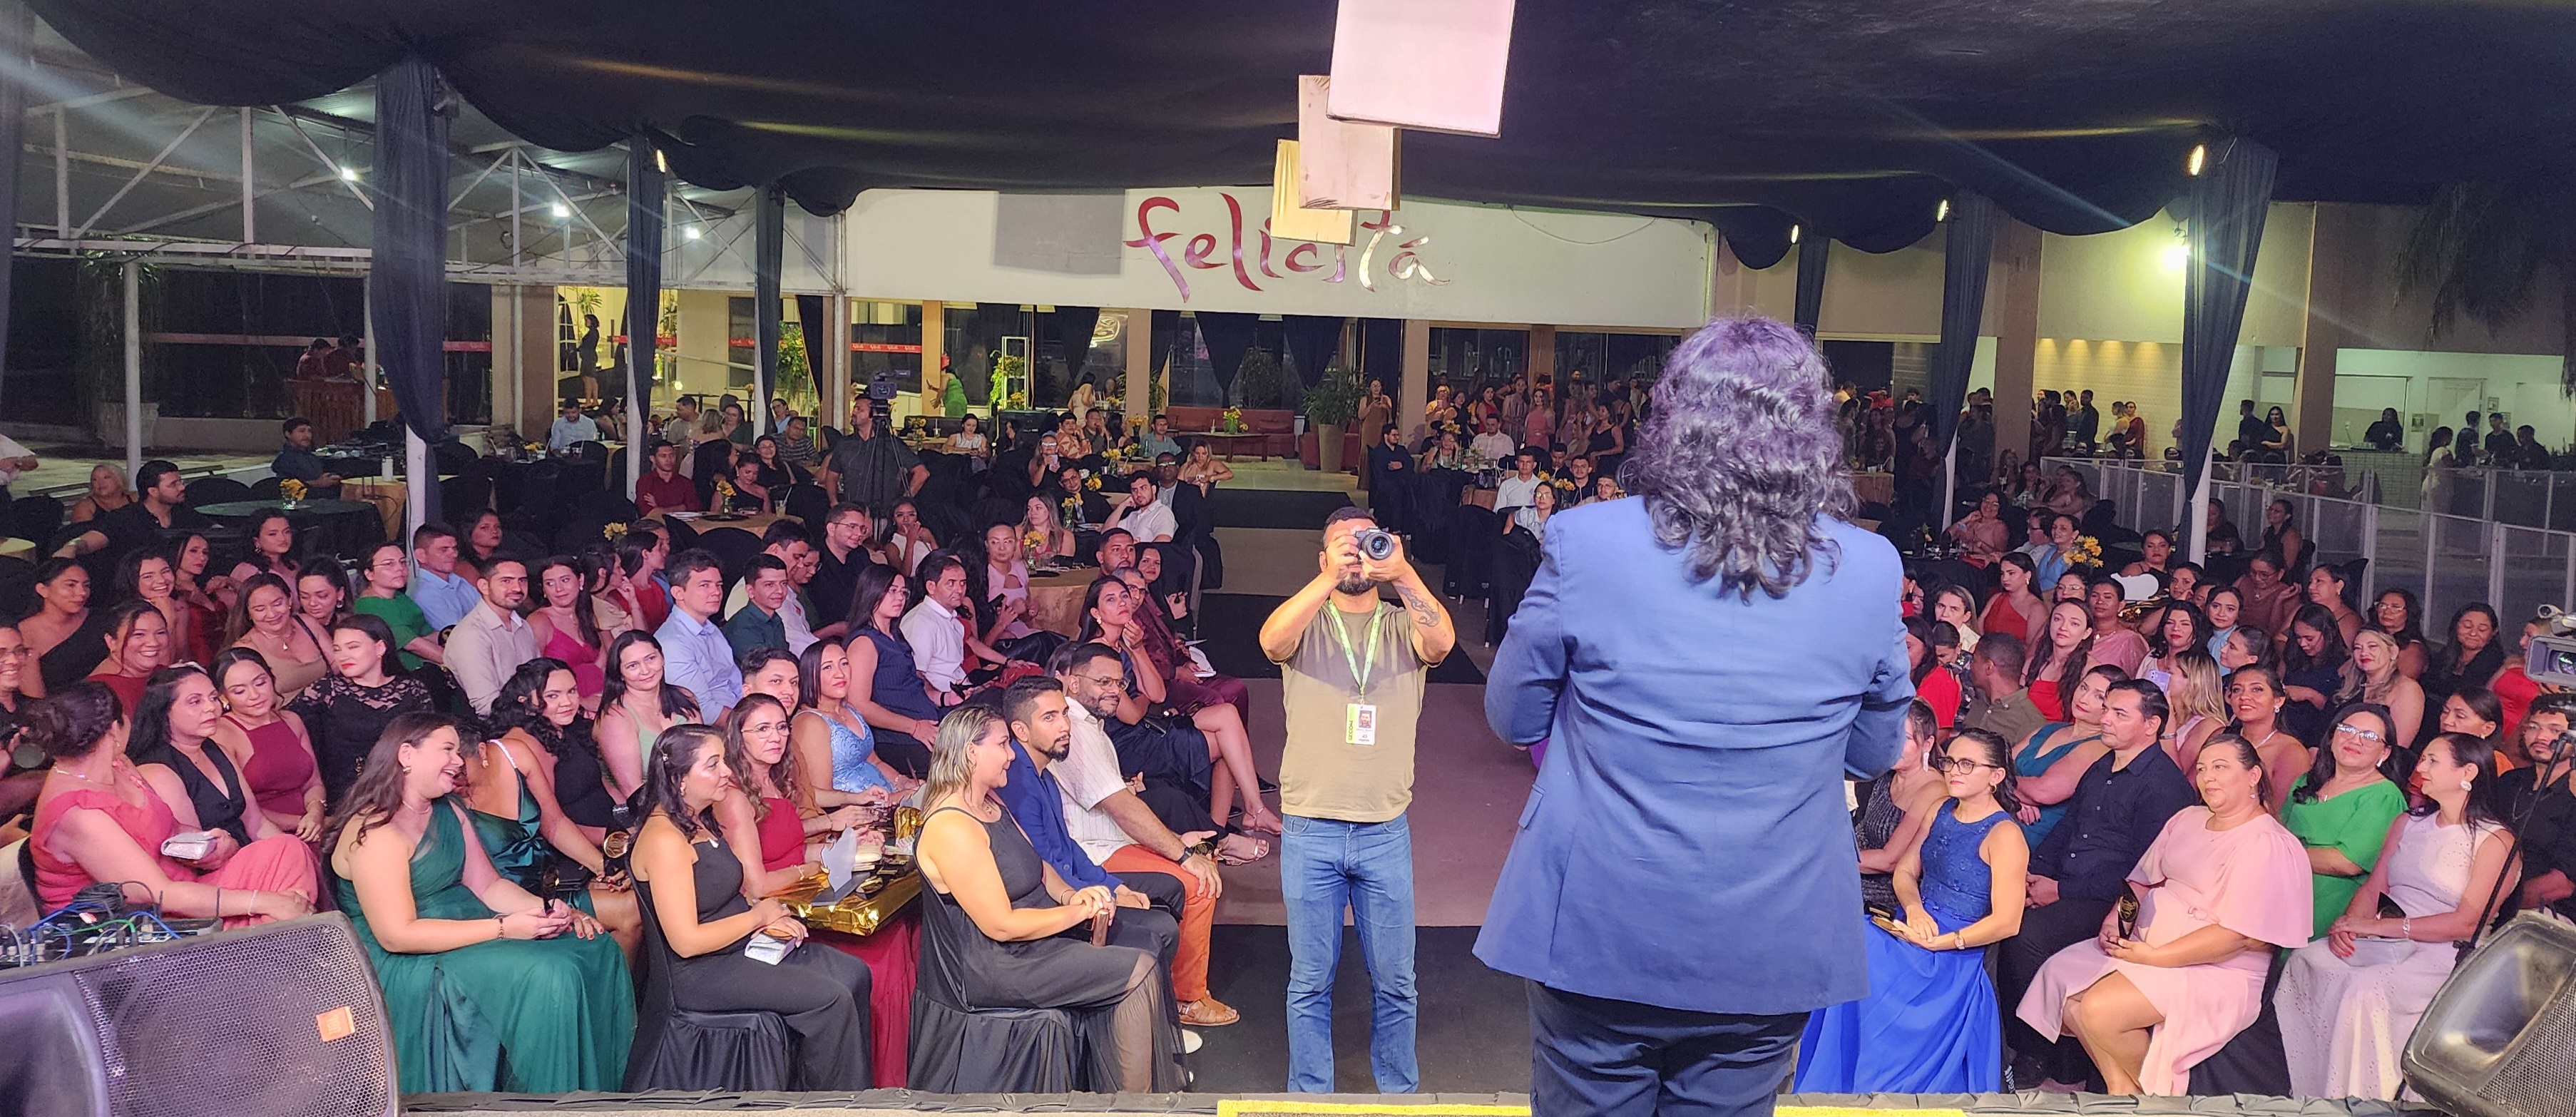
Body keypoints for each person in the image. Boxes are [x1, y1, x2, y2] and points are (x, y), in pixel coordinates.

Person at [1478, 319, 1910, 1115]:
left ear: (1675, 415)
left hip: (1599, 921)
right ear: (1811, 427)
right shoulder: (1870, 566)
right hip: (1770, 934)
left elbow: (1514, 716)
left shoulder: (1587, 539)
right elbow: (1872, 751)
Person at [1244, 506, 1457, 1093]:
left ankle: (1400, 1096)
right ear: (1322, 557)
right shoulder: (1308, 620)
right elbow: (1270, 641)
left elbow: (1441, 642)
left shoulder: (1402, 623)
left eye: (1368, 542)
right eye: (1343, 544)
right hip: (1309, 828)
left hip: (1384, 828)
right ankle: (1310, 1097)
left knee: (1397, 982)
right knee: (1310, 980)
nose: (1357, 552)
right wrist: (1328, 578)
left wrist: (1403, 573)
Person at [326, 713, 631, 1093]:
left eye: (458, 751)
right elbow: (397, 935)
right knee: (552, 975)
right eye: (447, 750)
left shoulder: (447, 809)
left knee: (595, 947)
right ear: (406, 755)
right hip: (412, 960)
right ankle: (545, 1099)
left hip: (469, 925)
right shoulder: (377, 833)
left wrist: (545, 912)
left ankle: (595, 1093)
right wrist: (504, 928)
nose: (459, 761)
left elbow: (488, 886)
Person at [2015, 733, 2312, 1095]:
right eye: (2202, 769)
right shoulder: (2188, 818)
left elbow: (2239, 937)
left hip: (2217, 970)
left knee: (2097, 1010)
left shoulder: (2269, 843)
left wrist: (2156, 956)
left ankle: (2157, 1099)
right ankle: (2123, 1092)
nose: (2208, 777)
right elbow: (2141, 881)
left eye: (2220, 767)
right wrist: (2117, 923)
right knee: (2063, 987)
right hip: (2146, 946)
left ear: (2253, 776)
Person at [625, 720, 873, 1088]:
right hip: (702, 972)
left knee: (855, 973)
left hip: (739, 945)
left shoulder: (700, 819)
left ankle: (844, 1092)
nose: (728, 772)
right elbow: (686, 942)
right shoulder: (666, 840)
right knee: (831, 998)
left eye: (724, 761)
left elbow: (723, 895)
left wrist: (763, 919)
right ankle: (829, 1104)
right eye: (714, 765)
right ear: (680, 780)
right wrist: (758, 916)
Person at [2280, 730, 2517, 1098]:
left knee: (2365, 990)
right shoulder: (2409, 822)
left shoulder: (2495, 839)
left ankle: (2366, 1098)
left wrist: (2379, 927)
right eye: (2422, 759)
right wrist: (2349, 927)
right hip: (2388, 936)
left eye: (2432, 761)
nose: (2420, 768)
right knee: (2308, 959)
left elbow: (2467, 922)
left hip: (2447, 951)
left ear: (2467, 772)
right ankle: (2307, 1089)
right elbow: (2375, 886)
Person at [1796, 728, 2030, 1092]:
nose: (1954, 771)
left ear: (1996, 776)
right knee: (1849, 943)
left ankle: (1872, 1083)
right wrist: (1915, 909)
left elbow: (2007, 922)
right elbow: (1905, 871)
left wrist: (1942, 942)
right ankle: (1841, 1080)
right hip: (1914, 922)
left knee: (1868, 959)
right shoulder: (1941, 808)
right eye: (1950, 761)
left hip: (1956, 948)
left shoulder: (2005, 835)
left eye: (1967, 765)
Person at [1999, 680, 2198, 1089]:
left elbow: (2141, 870)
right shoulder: (2101, 766)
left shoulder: (2164, 786)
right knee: (2003, 915)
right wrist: (2033, 874)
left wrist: (2060, 891)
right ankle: (2020, 1044)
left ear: (2151, 725)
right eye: (2107, 710)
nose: (2105, 719)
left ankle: (2044, 1053)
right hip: (2069, 881)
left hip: (2116, 901)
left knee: (2027, 936)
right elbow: (2068, 828)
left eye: (2119, 713)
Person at [27, 682, 318, 923]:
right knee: (279, 908)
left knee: (287, 849)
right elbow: (159, 894)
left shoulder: (118, 763)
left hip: (182, 888)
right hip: (144, 923)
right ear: (115, 730)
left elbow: (169, 828)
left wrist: (207, 844)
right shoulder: (79, 814)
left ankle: (284, 937)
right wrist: (266, 901)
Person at [715, 693, 866, 899]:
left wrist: (851, 847)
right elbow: (756, 887)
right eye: (763, 729)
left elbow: (794, 851)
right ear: (739, 738)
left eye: (781, 727)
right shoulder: (733, 796)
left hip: (798, 887)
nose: (776, 737)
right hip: (767, 903)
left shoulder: (777, 780)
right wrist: (814, 868)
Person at [131, 663, 295, 850]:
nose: (211, 707)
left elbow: (255, 821)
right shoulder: (158, 770)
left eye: (214, 698)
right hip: (216, 861)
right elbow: (195, 848)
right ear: (164, 710)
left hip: (250, 852)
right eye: (195, 701)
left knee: (294, 848)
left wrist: (287, 849)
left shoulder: (217, 751)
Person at [2281, 703, 2409, 941]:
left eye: (2369, 736)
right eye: (2347, 729)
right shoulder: (2306, 781)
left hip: (2328, 904)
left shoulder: (2384, 796)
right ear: (2332, 737)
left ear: (2384, 753)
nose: (2355, 740)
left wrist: (2281, 853)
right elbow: (2278, 833)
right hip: (2279, 888)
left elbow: (2347, 862)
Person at [290, 615, 435, 805]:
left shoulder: (412, 690)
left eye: (353, 647)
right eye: (337, 649)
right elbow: (285, 725)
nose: (343, 656)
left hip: (405, 793)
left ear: (380, 648)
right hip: (348, 798)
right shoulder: (325, 691)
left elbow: (429, 745)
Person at [207, 649, 325, 842]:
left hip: (312, 824)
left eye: (260, 683)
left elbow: (313, 782)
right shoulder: (222, 734)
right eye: (240, 691)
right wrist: (302, 823)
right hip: (262, 835)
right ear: (223, 697)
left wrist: (316, 812)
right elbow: (238, 808)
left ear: (272, 677)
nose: (254, 695)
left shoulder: (292, 720)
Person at [842, 563, 944, 778]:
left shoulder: (895, 635)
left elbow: (910, 685)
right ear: (873, 592)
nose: (900, 598)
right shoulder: (864, 642)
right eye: (892, 591)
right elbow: (858, 704)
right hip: (896, 738)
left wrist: (942, 697)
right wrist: (914, 727)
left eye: (903, 592)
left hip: (925, 724)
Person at [2013, 665, 2125, 848]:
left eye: (2099, 697)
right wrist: (2012, 797)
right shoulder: (2050, 728)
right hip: (2001, 813)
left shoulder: (2100, 747)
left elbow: (2042, 792)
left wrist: (2003, 787)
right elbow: (1998, 764)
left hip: (2034, 838)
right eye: (2084, 687)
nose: (2084, 698)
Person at [789, 638, 912, 800]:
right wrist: (896, 798)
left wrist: (903, 782)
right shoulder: (810, 722)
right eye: (827, 667)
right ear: (810, 675)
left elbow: (874, 761)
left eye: (844, 664)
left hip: (886, 797)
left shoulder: (849, 709)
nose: (840, 674)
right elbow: (821, 798)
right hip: (856, 810)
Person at [1858, 701, 1951, 911]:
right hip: (1857, 861)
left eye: (1906, 738)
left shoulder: (1934, 790)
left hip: (1887, 887)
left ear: (1927, 744)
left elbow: (1890, 860)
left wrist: (1831, 860)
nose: (1894, 744)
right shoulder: (1888, 772)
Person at [596, 631, 702, 800]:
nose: (645, 670)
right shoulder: (615, 716)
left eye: (651, 659)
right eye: (633, 666)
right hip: (652, 805)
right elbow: (633, 791)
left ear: (662, 658)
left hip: (698, 793)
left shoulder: (685, 697)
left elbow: (704, 755)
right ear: (620, 674)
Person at [56, 459, 212, 561]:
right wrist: (71, 547)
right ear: (153, 492)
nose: (182, 488)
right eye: (173, 485)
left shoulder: (181, 511)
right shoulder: (125, 517)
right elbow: (92, 539)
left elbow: (216, 531)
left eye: (180, 482)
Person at [655, 549, 743, 720]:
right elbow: (703, 710)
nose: (716, 592)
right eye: (705, 585)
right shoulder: (673, 643)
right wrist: (750, 725)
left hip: (739, 713)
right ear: (678, 593)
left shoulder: (711, 628)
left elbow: (735, 682)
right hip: (714, 729)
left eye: (718, 585)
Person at [445, 558, 538, 718]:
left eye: (522, 581)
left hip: (533, 718)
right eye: (506, 581)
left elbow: (539, 680)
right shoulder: (471, 634)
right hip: (496, 725)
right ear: (484, 586)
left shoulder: (523, 626)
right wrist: (538, 711)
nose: (517, 588)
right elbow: (486, 705)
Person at [230, 573, 331, 702]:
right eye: (260, 609)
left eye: (277, 604)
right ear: (249, 613)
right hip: (288, 712)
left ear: (290, 599)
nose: (272, 614)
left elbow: (337, 664)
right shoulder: (246, 648)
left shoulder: (307, 622)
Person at [819, 397, 926, 517]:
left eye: (859, 409)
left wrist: (903, 502)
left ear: (872, 414)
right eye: (854, 408)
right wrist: (834, 503)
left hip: (885, 515)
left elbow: (922, 473)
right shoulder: (844, 444)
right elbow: (832, 476)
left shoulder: (890, 443)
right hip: (853, 515)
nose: (854, 412)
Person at [529, 556, 609, 708]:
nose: (558, 589)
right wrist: (582, 702)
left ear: (581, 580)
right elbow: (533, 678)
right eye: (550, 583)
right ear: (544, 589)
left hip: (601, 700)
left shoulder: (586, 615)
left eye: (565, 580)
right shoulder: (539, 621)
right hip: (564, 707)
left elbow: (603, 660)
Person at [354, 541, 444, 673]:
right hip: (403, 676)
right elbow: (413, 645)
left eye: (402, 562)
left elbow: (428, 634)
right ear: (369, 574)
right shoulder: (371, 605)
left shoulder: (400, 597)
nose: (400, 568)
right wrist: (457, 662)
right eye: (389, 564)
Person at [1958, 632, 2048, 749]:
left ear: (1989, 667)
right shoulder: (1981, 703)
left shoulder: (2031, 724)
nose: (1971, 666)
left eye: (1975, 660)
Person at [83, 601, 170, 713]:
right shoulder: (98, 693)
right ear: (111, 642)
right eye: (139, 634)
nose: (153, 642)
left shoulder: (168, 676)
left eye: (160, 633)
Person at [2423, 603, 2506, 710]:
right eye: (2467, 626)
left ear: (2493, 632)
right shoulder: (2446, 654)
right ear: (2456, 626)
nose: (2473, 633)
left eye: (2482, 629)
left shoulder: (2494, 663)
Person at [2023, 601, 2095, 721]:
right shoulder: (2032, 664)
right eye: (2057, 619)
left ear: (2086, 633)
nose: (2063, 627)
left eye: (2074, 624)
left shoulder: (2091, 671)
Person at [409, 523, 484, 630]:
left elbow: (490, 615)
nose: (454, 555)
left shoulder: (458, 581)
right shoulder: (424, 593)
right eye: (444, 550)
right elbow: (455, 634)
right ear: (421, 555)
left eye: (454, 549)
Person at [227, 509, 304, 592]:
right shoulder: (246, 571)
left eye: (287, 532)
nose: (282, 538)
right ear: (256, 541)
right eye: (272, 534)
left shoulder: (294, 566)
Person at [271, 417, 344, 497]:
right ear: (288, 434)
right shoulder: (284, 460)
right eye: (302, 431)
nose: (307, 435)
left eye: (309, 431)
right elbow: (287, 487)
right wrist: (317, 483)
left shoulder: (312, 457)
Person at [2370, 588, 2431, 681]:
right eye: (2382, 606)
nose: (2387, 612)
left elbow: (2402, 682)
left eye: (2396, 607)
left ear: (2409, 612)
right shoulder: (2372, 636)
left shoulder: (2413, 648)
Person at [635, 442, 702, 516]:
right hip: (656, 523)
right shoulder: (645, 482)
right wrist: (682, 507)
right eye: (663, 456)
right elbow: (649, 513)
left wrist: (660, 508)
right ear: (653, 459)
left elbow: (695, 508)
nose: (669, 460)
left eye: (672, 455)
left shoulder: (686, 483)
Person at [1106, 473, 1176, 544]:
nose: (1138, 494)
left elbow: (1164, 540)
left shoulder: (1162, 512)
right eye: (1134, 490)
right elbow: (1107, 533)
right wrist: (1122, 505)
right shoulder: (1133, 515)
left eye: (1143, 488)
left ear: (1153, 490)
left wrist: (1140, 548)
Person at [1950, 490, 2013, 568]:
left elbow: (1999, 556)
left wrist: (1978, 543)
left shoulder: (1999, 526)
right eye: (1986, 501)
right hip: (1959, 559)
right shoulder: (1972, 520)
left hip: (1979, 565)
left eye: (1995, 504)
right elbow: (1948, 536)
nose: (1989, 506)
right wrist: (1965, 520)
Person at [65, 461, 134, 525]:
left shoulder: (135, 499)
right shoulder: (85, 507)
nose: (100, 483)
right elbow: (83, 532)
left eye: (106, 477)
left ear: (120, 480)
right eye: (95, 480)